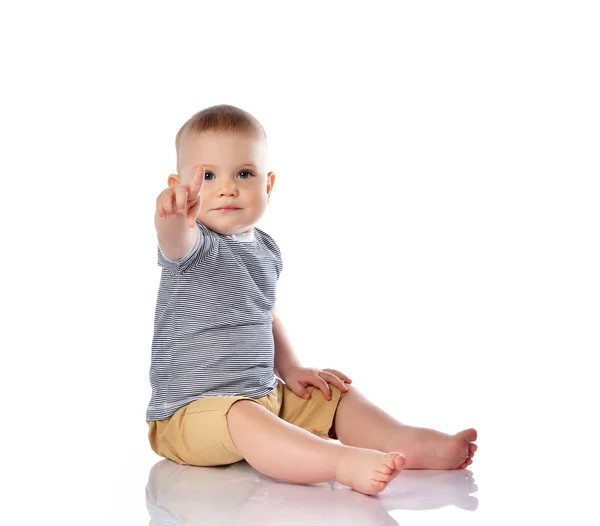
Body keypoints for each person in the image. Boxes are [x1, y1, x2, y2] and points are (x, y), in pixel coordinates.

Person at [147, 104, 477, 496]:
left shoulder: (265, 250)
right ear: (180, 184)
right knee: (242, 414)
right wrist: (171, 215)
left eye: (244, 174)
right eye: (208, 176)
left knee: (330, 393)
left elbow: (264, 314)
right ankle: (339, 460)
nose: (227, 187)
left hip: (261, 396)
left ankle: (400, 438)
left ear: (268, 186)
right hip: (190, 414)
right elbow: (174, 240)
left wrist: (293, 368)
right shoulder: (194, 245)